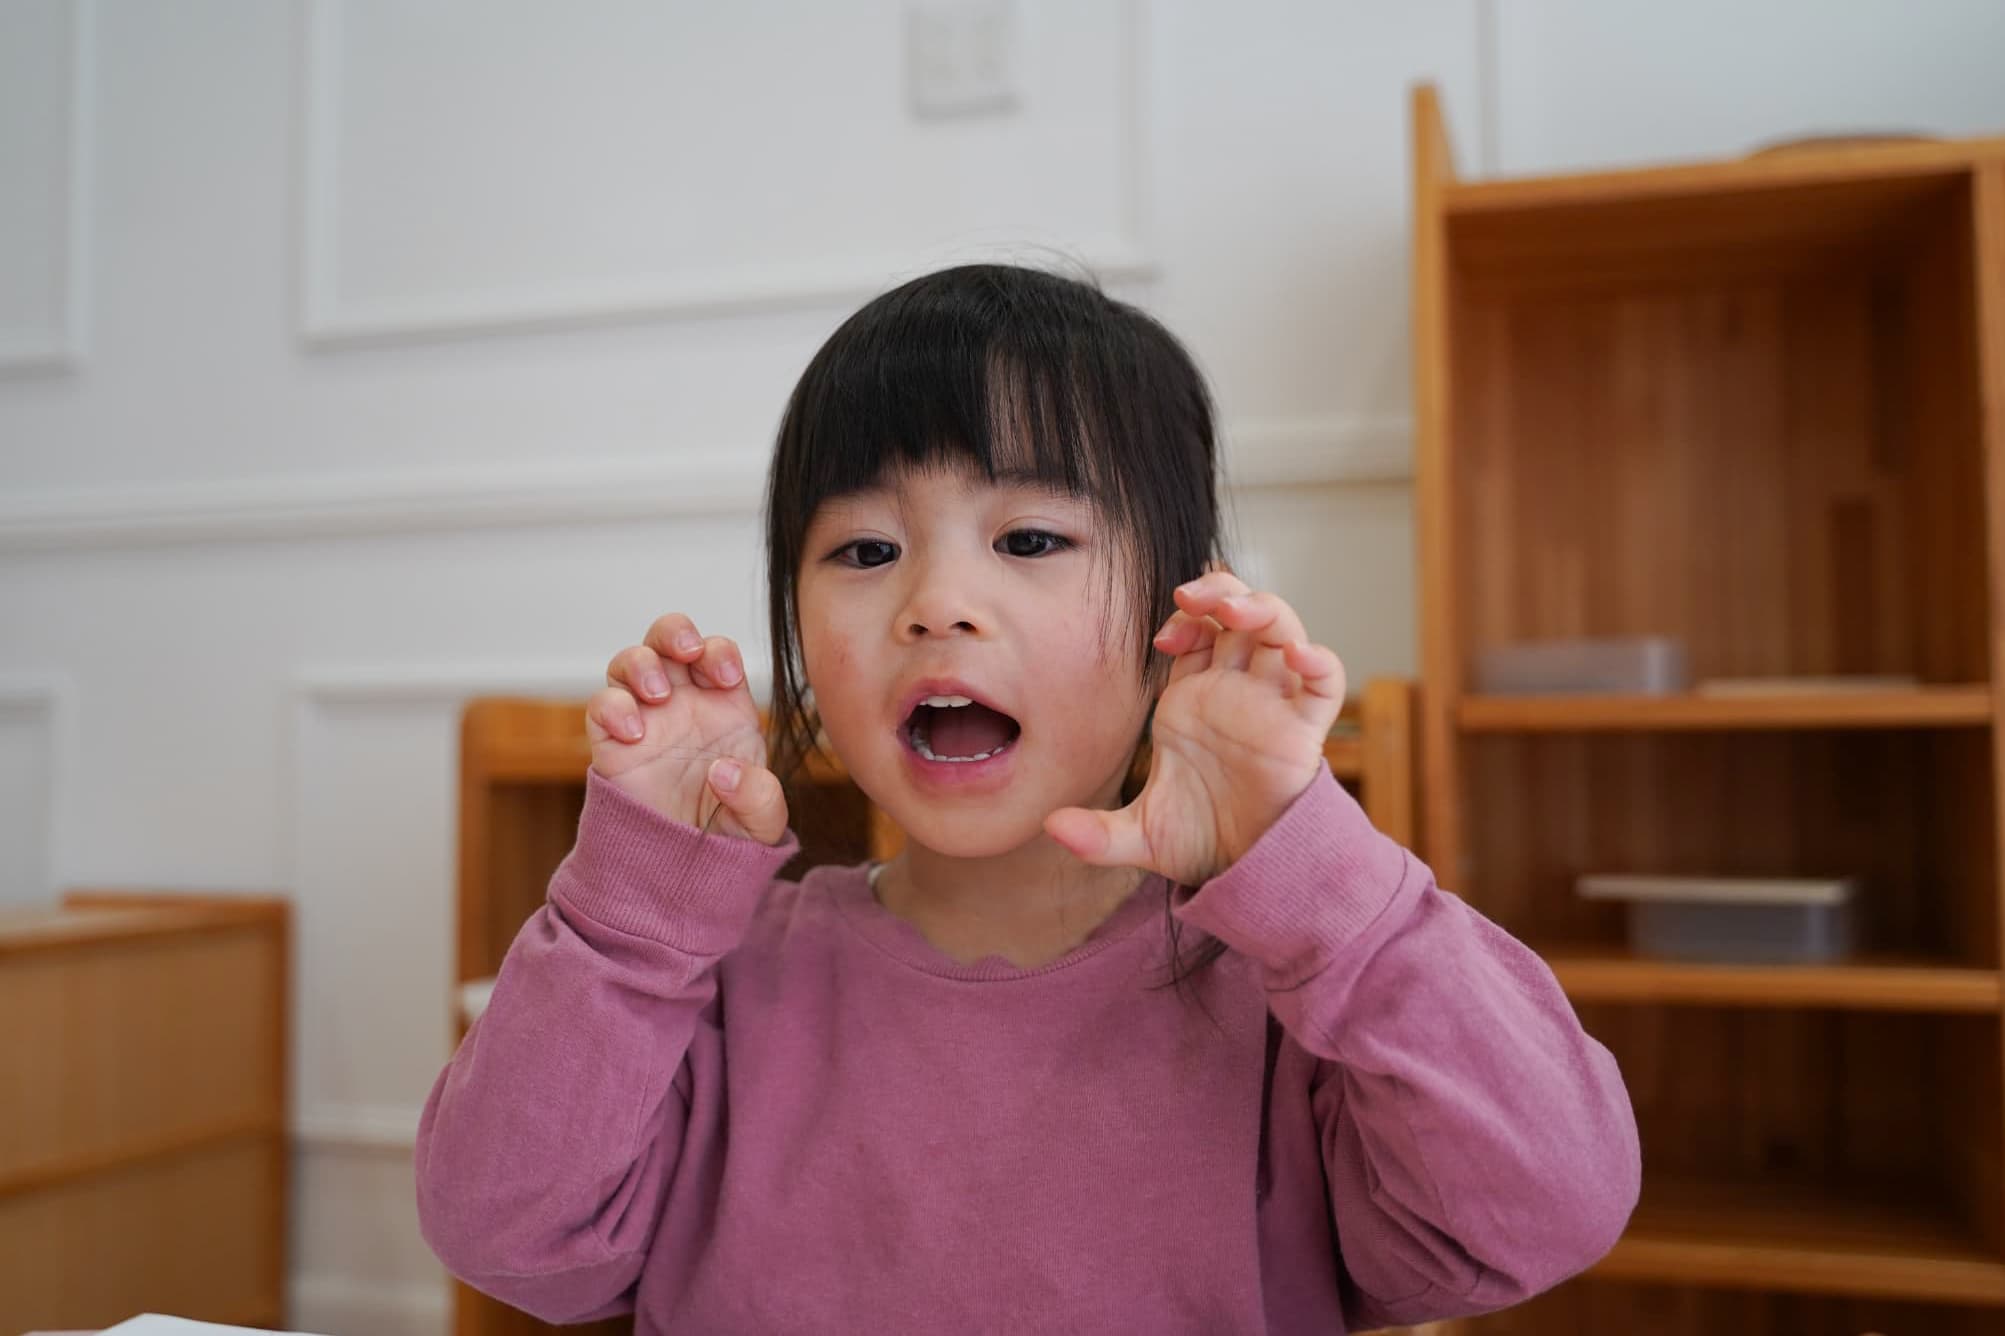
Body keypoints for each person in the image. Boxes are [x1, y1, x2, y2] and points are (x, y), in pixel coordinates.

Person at [414, 263, 1640, 1333]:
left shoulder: (1293, 1002)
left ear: (1182, 610)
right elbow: (503, 1235)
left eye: (1031, 540)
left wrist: (1309, 865)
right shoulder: (718, 980)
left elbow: (1548, 1208)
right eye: (865, 549)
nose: (936, 604)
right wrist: (638, 909)